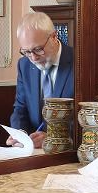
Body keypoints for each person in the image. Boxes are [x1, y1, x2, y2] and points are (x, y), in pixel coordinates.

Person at [7, 11, 74, 148]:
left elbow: (87, 116)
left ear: (54, 37)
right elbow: (20, 108)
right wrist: (20, 133)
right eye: (26, 51)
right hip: (34, 150)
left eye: (38, 49)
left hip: (68, 149)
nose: (33, 58)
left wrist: (54, 137)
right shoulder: (24, 65)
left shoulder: (79, 62)